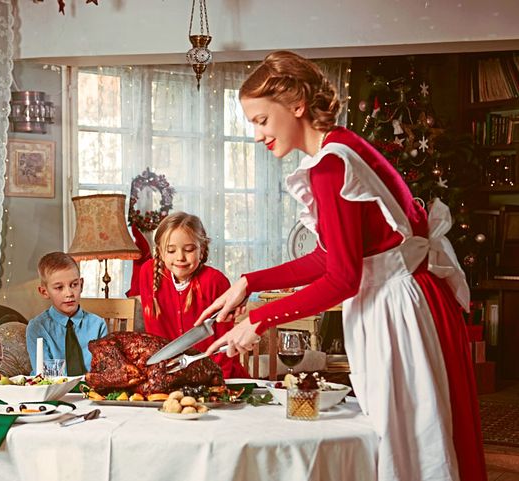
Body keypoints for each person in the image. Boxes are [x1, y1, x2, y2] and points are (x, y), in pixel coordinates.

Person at [197, 51, 485, 481]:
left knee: (408, 445)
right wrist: (248, 281)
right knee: (414, 439)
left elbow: (343, 278)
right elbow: (332, 256)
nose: (257, 135)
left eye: (261, 120)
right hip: (403, 302)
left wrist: (259, 319)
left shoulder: (332, 168)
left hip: (394, 312)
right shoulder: (341, 146)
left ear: (296, 104)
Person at [140, 212, 250, 379]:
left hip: (218, 375)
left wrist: (220, 383)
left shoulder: (215, 281)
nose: (180, 257)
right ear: (161, 252)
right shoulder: (148, 273)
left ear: (202, 249)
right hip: (171, 376)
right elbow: (154, 336)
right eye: (171, 250)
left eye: (189, 249)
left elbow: (224, 342)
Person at [26, 252, 108, 375]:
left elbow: (104, 370)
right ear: (44, 292)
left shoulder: (98, 325)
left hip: (90, 391)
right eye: (59, 287)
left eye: (74, 285)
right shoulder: (37, 328)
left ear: (82, 284)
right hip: (52, 391)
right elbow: (43, 375)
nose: (69, 293)